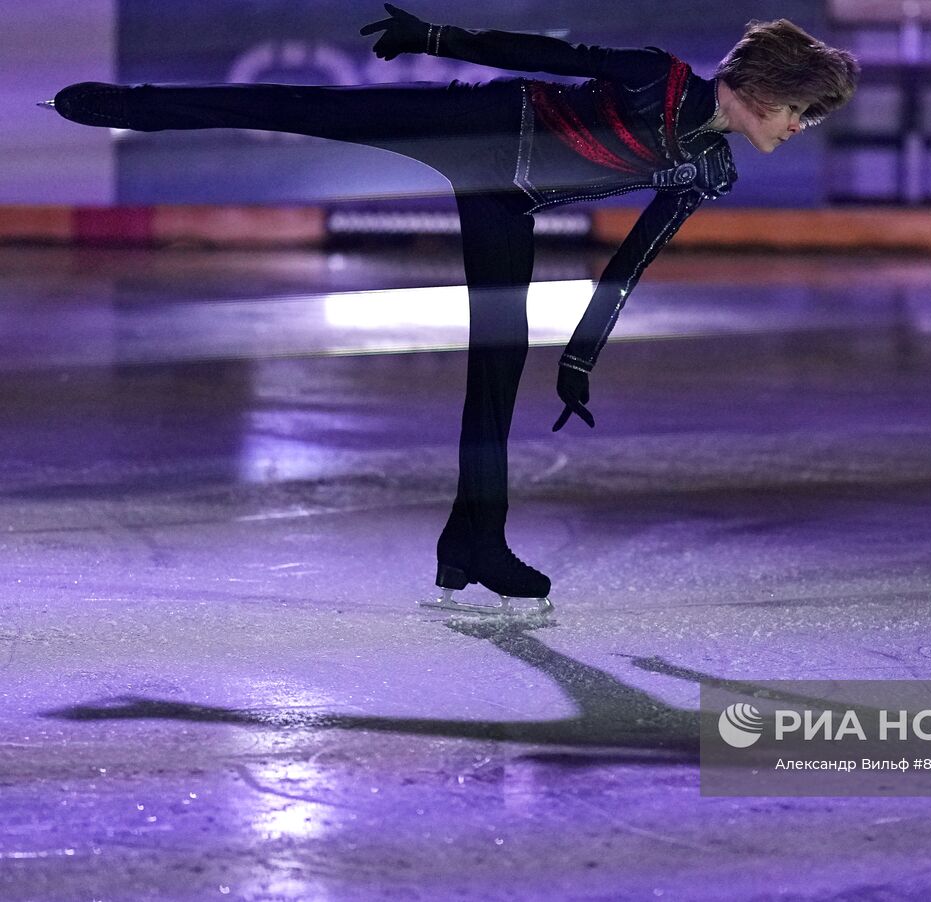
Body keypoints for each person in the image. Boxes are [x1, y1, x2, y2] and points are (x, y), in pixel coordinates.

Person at [48, 4, 859, 614]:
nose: (797, 129)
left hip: (507, 203)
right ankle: (130, 103)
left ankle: (473, 543)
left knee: (497, 374)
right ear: (763, 88)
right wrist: (433, 38)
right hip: (475, 123)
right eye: (799, 111)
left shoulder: (708, 169)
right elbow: (544, 53)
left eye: (808, 120)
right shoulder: (660, 76)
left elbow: (629, 263)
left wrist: (577, 361)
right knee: (310, 109)